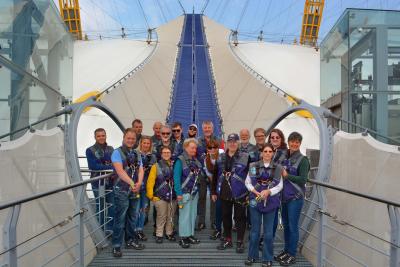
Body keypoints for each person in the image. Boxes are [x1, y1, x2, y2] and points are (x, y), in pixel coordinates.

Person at [245, 144, 283, 267]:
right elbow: (248, 182)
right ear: (261, 153)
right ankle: (252, 256)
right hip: (255, 200)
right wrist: (255, 192)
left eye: (269, 151)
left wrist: (268, 192)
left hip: (271, 202)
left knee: (268, 233)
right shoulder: (253, 166)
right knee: (254, 231)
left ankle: (267, 258)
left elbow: (279, 185)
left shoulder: (278, 168)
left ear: (273, 153)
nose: (267, 153)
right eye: (265, 151)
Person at [275, 132, 310, 266]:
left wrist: (287, 175)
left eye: (297, 142)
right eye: (292, 141)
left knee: (293, 227)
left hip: (295, 198)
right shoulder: (284, 156)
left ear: (300, 143)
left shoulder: (303, 160)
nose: (294, 144)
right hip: (284, 197)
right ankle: (286, 250)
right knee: (287, 226)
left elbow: (303, 180)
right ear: (288, 142)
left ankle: (292, 254)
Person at [111, 128, 145, 257]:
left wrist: (139, 183)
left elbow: (141, 170)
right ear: (124, 138)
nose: (130, 140)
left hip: (134, 189)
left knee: (132, 217)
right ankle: (116, 245)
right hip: (122, 190)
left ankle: (130, 240)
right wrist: (133, 184)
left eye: (133, 139)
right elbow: (120, 171)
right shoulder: (117, 153)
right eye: (128, 138)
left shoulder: (137, 154)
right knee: (120, 219)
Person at [215, 133, 250, 253]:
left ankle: (240, 241)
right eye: (230, 141)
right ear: (227, 143)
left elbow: (252, 173)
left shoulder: (245, 156)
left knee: (240, 217)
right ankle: (227, 239)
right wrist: (214, 191)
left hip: (240, 192)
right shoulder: (220, 157)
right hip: (224, 192)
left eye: (235, 141)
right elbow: (215, 174)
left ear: (238, 143)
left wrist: (251, 190)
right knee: (226, 216)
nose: (232, 143)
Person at [173, 138, 202, 248]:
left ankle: (190, 234)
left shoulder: (196, 161)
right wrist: (178, 193)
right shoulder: (180, 160)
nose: (194, 150)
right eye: (192, 147)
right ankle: (183, 237)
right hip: (184, 192)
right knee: (184, 216)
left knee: (192, 214)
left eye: (195, 148)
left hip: (194, 193)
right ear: (185, 148)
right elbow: (176, 178)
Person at [86, 128, 114, 232]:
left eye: (103, 135)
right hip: (97, 183)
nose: (101, 137)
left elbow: (115, 163)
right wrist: (110, 167)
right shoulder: (90, 150)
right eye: (99, 136)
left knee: (112, 206)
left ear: (106, 136)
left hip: (110, 182)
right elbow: (93, 166)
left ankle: (110, 229)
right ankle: (100, 230)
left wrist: (104, 166)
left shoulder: (111, 149)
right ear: (95, 137)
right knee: (100, 207)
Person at [146, 146, 177, 243]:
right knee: (161, 216)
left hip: (173, 195)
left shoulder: (174, 165)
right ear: (161, 154)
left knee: (170, 216)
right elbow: (150, 182)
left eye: (168, 152)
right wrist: (151, 196)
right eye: (164, 152)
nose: (166, 154)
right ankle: (159, 234)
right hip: (160, 196)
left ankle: (169, 233)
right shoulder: (155, 166)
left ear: (171, 154)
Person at [197, 121, 221, 230]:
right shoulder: (197, 141)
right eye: (205, 128)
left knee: (214, 198)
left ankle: (214, 221)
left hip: (214, 175)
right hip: (202, 174)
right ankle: (201, 221)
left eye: (209, 127)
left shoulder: (219, 140)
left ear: (212, 128)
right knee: (201, 198)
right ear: (203, 129)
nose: (207, 129)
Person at [135, 136, 157, 241]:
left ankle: (140, 229)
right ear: (141, 143)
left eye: (148, 143)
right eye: (144, 143)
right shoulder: (135, 154)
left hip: (147, 186)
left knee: (144, 208)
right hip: (137, 185)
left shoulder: (153, 156)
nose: (146, 145)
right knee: (136, 209)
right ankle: (133, 229)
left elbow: (154, 170)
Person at [205, 139, 222, 240]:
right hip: (215, 183)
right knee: (218, 207)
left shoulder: (222, 155)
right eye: (210, 148)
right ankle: (218, 228)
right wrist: (214, 190)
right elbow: (209, 174)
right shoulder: (206, 159)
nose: (212, 149)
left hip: (225, 184)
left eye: (215, 147)